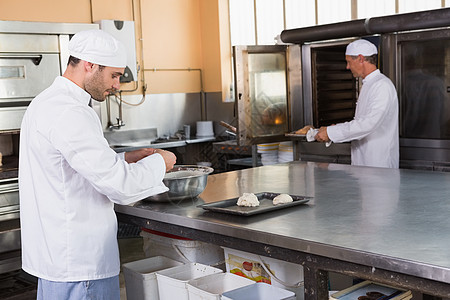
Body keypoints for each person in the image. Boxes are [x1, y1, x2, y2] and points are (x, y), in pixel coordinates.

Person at [18, 29, 176, 300]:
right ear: (90, 65)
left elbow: (67, 169)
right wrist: (160, 163)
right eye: (114, 75)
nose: (117, 85)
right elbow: (120, 186)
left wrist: (124, 159)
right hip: (81, 268)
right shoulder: (71, 111)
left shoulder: (46, 102)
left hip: (60, 262)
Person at [315, 39, 399, 168]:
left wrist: (331, 132)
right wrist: (334, 128)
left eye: (349, 62)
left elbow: (368, 124)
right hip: (364, 164)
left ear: (360, 59)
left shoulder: (382, 85)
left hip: (379, 166)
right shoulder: (369, 84)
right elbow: (361, 122)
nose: (347, 67)